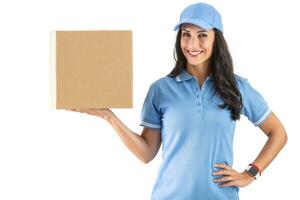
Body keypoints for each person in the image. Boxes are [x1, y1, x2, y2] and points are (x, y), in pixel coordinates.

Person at [67, 2, 288, 200]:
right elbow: (146, 154)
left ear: (216, 39)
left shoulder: (237, 87)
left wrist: (250, 173)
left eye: (202, 35)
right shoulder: (161, 90)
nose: (192, 44)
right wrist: (109, 116)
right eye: (186, 34)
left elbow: (278, 133)